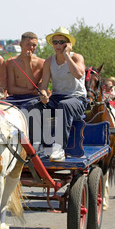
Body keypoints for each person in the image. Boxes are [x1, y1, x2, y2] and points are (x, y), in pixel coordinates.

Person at [27, 27, 87, 162]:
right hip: (57, 97)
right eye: (55, 42)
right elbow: (43, 87)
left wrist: (67, 55)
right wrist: (43, 95)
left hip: (77, 99)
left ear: (68, 44)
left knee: (63, 105)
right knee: (31, 105)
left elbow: (78, 74)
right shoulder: (49, 62)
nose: (58, 45)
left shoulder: (77, 57)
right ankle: (37, 144)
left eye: (61, 42)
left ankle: (59, 148)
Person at [6, 32, 45, 108]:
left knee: (27, 107)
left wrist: (28, 63)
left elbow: (31, 86)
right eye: (28, 45)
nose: (31, 48)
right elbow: (11, 89)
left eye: (34, 45)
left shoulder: (41, 63)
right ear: (21, 45)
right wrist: (32, 92)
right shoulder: (11, 62)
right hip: (16, 98)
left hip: (33, 99)